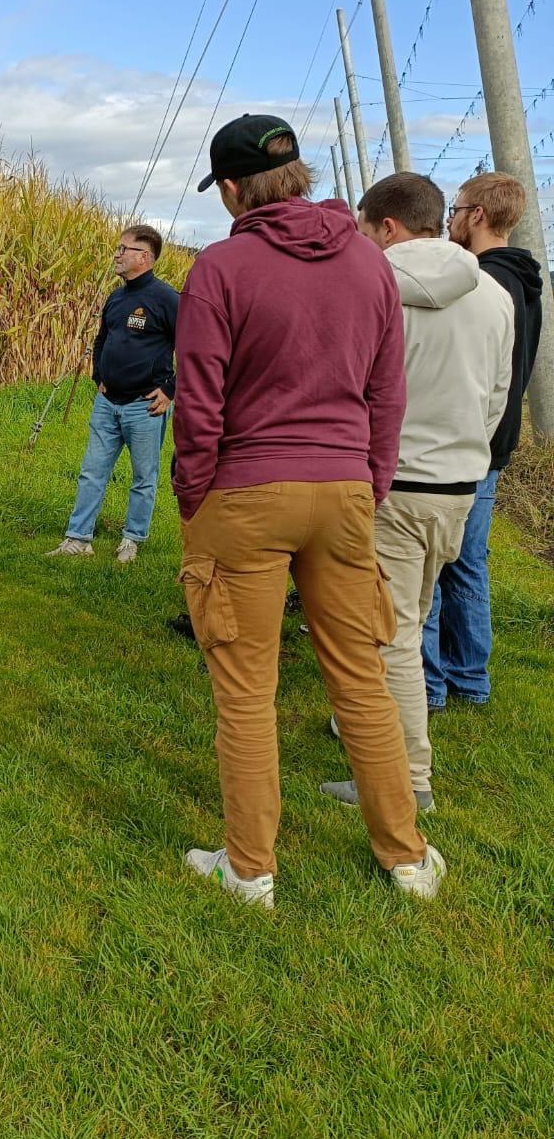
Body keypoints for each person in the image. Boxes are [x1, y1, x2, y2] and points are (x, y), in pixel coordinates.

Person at [173, 114, 442, 908]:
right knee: (360, 675)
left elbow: (199, 405)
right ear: (300, 176)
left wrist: (196, 502)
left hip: (246, 492)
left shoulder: (221, 267)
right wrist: (371, 480)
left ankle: (250, 868)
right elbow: (386, 393)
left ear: (231, 189)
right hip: (345, 491)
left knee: (246, 689)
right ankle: (407, 858)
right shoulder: (368, 263)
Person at [321, 173, 513, 815]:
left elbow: (353, 386)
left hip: (395, 483)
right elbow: (497, 396)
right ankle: (378, 744)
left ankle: (404, 778)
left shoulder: (371, 289)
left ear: (389, 228)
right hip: (458, 486)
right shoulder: (494, 294)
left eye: (366, 230)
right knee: (412, 615)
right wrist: (465, 454)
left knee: (392, 635)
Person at [422, 171, 543, 709]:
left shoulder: (485, 281)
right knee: (465, 561)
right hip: (491, 442)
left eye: (456, 208)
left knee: (446, 562)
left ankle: (445, 682)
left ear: (477, 216)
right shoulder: (523, 278)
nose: (449, 219)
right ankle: (467, 677)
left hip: (472, 443)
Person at [48, 225, 178, 564]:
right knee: (92, 471)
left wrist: (169, 389)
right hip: (108, 404)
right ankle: (78, 538)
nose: (117, 255)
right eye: (118, 248)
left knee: (143, 478)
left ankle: (131, 540)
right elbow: (102, 340)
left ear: (145, 258)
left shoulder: (167, 299)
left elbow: (194, 348)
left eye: (124, 249)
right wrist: (99, 376)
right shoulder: (116, 297)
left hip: (144, 408)